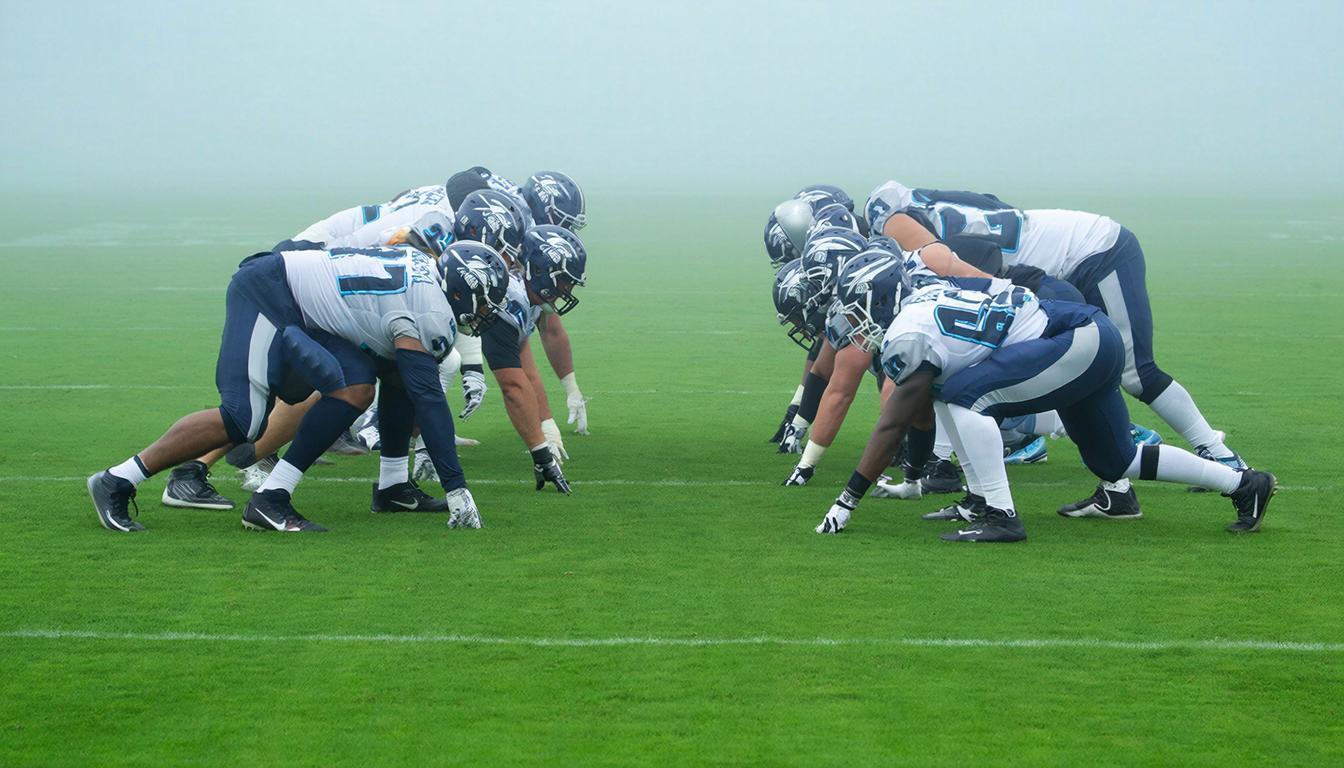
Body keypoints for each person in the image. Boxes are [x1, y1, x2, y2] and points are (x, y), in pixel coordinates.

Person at [812, 252, 1278, 541]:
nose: (854, 326)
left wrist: (847, 500)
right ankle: (1244, 485)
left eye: (855, 312)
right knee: (1116, 459)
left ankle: (1000, 514)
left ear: (879, 300)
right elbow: (920, 407)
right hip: (1084, 337)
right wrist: (914, 476)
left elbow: (894, 422)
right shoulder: (929, 294)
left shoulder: (908, 334)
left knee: (964, 396)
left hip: (1072, 341)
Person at [865, 180, 1238, 514]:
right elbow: (994, 204)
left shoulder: (908, 233)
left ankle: (1221, 458)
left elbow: (971, 279)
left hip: (1093, 253)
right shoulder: (938, 206)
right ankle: (1115, 484)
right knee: (1012, 376)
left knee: (1134, 373)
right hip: (1057, 272)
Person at [88, 238, 509, 533]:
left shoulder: (426, 280)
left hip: (308, 309)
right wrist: (456, 487)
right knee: (243, 418)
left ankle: (342, 491)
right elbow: (430, 401)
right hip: (269, 294)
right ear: (461, 289)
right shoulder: (430, 312)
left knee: (363, 385)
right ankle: (117, 479)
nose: (487, 310)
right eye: (486, 299)